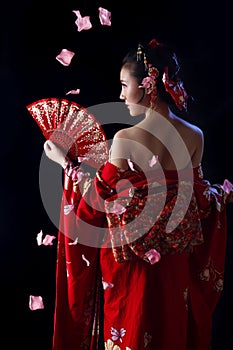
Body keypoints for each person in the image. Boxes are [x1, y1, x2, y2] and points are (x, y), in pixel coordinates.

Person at [44, 38, 233, 350]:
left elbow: (96, 204)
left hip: (131, 267)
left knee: (132, 328)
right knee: (169, 330)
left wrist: (65, 163)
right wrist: (218, 197)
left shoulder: (125, 139)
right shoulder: (195, 136)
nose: (120, 94)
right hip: (174, 264)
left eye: (124, 84)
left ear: (148, 85)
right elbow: (200, 200)